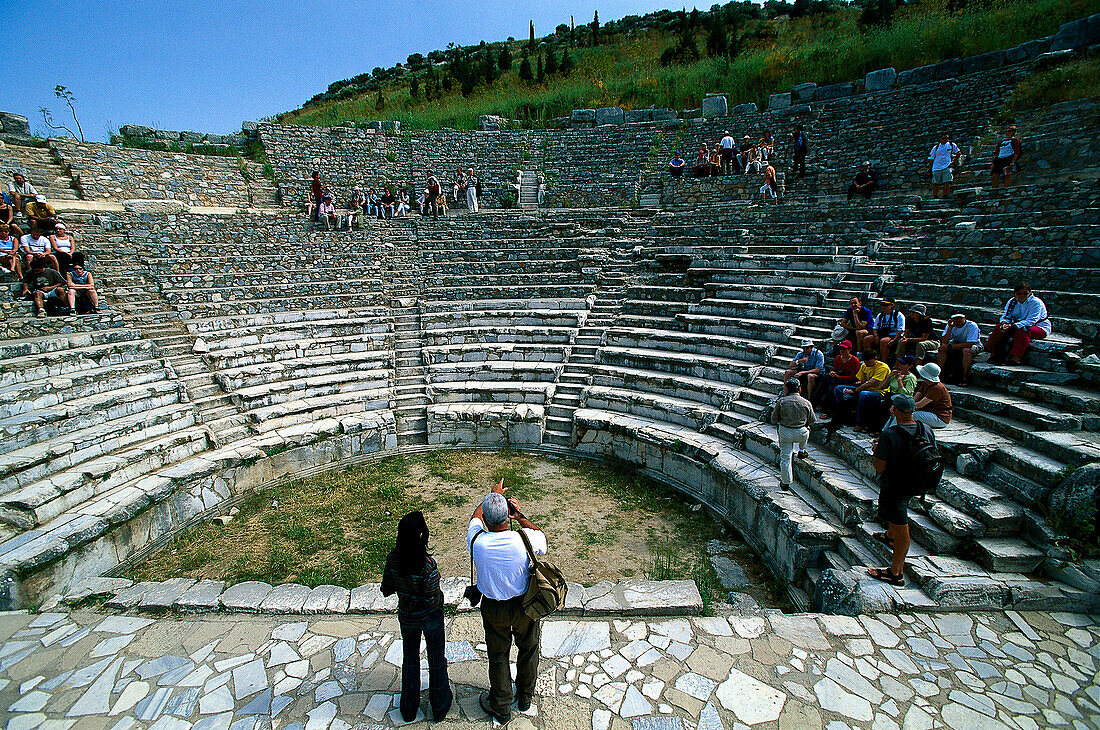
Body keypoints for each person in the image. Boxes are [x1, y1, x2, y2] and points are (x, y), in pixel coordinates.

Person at [468, 481, 547, 723]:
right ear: (507, 516)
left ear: (487, 522)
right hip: (524, 605)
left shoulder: (477, 542)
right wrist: (519, 515)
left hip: (494, 607)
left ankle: (501, 706)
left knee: (498, 655)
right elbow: (542, 537)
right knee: (529, 647)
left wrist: (492, 495)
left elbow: (475, 519)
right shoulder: (524, 539)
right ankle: (524, 697)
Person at [381, 511, 452, 722]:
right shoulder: (428, 564)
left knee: (410, 659)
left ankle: (408, 708)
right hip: (430, 617)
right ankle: (439, 705)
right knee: (437, 659)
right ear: (422, 536)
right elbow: (431, 596)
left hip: (407, 617)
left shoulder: (393, 559)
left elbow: (386, 589)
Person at [867, 394, 937, 587]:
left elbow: (879, 467)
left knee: (901, 522)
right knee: (894, 514)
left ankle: (895, 571)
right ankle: (890, 536)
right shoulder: (926, 429)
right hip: (919, 481)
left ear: (893, 410)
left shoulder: (890, 434)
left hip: (897, 484)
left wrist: (877, 450)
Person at [986, 282, 1051, 366]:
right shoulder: (1012, 302)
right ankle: (994, 353)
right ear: (1015, 294)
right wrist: (1004, 323)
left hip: (1039, 327)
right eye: (1019, 293)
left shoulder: (1036, 303)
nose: (1022, 296)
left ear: (1030, 293)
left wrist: (1013, 326)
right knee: (999, 328)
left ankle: (1016, 357)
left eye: (1025, 293)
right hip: (1016, 325)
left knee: (1023, 330)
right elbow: (1006, 315)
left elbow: (1031, 320)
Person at [772, 378, 816, 491]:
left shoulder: (781, 401)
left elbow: (775, 418)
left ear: (787, 389)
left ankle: (785, 483)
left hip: (786, 432)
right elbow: (812, 421)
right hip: (801, 432)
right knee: (807, 430)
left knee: (786, 457)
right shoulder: (806, 403)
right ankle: (802, 450)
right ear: (800, 389)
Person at [857, 355, 916, 434]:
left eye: (903, 364)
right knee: (874, 405)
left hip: (902, 398)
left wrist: (900, 381)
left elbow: (907, 393)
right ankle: (870, 427)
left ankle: (881, 431)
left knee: (886, 409)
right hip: (891, 395)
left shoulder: (910, 378)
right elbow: (881, 387)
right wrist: (889, 377)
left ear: (909, 366)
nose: (899, 365)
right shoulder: (895, 374)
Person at [832, 349, 891, 425]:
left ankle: (860, 422)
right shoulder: (864, 365)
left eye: (868, 361)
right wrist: (859, 383)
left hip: (878, 391)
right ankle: (841, 413)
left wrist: (855, 390)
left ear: (875, 359)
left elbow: (870, 383)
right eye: (865, 361)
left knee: (863, 394)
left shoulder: (883, 368)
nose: (866, 363)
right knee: (839, 389)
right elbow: (860, 379)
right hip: (863, 387)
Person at [814, 340, 861, 413]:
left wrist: (838, 377)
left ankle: (828, 410)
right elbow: (835, 369)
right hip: (839, 377)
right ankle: (814, 402)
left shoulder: (855, 361)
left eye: (844, 349)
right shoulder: (838, 358)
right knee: (825, 380)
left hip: (848, 380)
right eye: (841, 349)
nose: (842, 351)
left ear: (849, 349)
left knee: (833, 387)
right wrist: (832, 373)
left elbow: (853, 377)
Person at [937, 312, 982, 386]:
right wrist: (950, 328)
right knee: (942, 348)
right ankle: (940, 374)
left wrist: (950, 347)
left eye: (960, 319)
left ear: (964, 318)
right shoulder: (950, 325)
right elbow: (944, 341)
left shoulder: (972, 326)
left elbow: (970, 344)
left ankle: (964, 377)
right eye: (955, 319)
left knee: (966, 351)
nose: (958, 321)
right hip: (957, 343)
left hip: (974, 345)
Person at [864, 296, 905, 363]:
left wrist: (894, 340)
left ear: (892, 305)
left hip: (893, 335)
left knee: (883, 341)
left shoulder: (899, 315)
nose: (883, 307)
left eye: (886, 305)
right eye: (882, 305)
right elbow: (875, 328)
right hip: (882, 333)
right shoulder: (880, 315)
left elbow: (900, 330)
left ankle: (884, 361)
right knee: (867, 339)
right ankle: (868, 358)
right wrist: (876, 336)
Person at [928, 133, 960, 198]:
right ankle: (935, 196)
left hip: (947, 166)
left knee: (947, 181)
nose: (946, 140)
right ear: (940, 139)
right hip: (936, 167)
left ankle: (945, 195)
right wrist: (930, 169)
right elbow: (931, 159)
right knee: (936, 183)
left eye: (947, 138)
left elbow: (958, 153)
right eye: (944, 138)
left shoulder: (951, 145)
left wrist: (954, 162)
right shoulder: (936, 148)